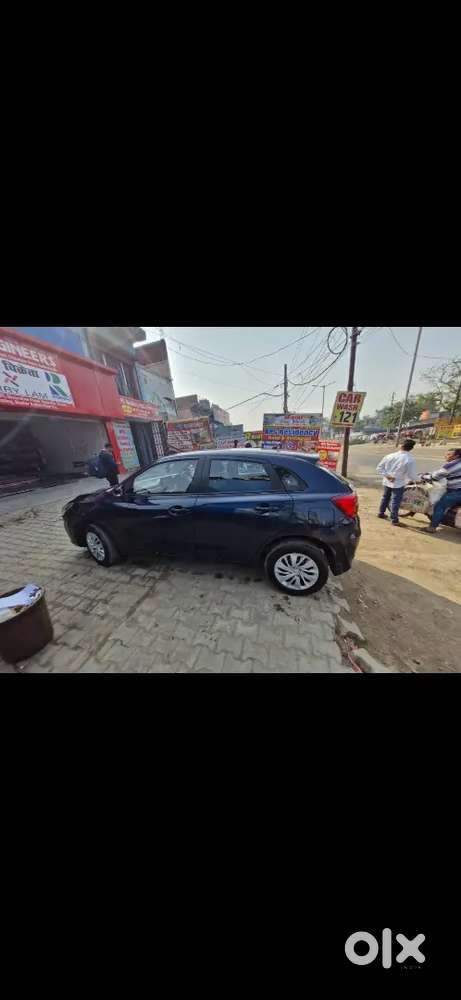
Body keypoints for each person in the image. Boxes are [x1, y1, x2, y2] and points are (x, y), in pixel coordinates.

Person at [376, 439, 417, 526]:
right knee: (395, 501)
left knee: (385, 497)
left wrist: (387, 476)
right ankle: (394, 520)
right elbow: (411, 475)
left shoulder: (389, 456)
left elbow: (379, 468)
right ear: (411, 448)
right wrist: (418, 480)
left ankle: (381, 513)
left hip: (387, 481)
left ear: (401, 446)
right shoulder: (410, 459)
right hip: (398, 483)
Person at [421, 447, 461, 533]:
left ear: (456, 456)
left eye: (449, 454)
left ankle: (432, 527)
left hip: (457, 492)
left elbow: (435, 476)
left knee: (440, 506)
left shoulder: (451, 465)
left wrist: (423, 476)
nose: (446, 456)